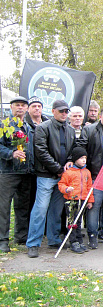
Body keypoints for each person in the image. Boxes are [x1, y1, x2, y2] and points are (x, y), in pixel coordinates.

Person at [26, 100, 75, 258]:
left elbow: (71, 150)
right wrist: (58, 169)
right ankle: (33, 243)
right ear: (53, 111)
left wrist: (70, 161)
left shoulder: (70, 130)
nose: (64, 114)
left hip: (62, 177)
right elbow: (41, 151)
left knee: (56, 210)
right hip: (46, 176)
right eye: (61, 111)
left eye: (66, 111)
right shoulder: (42, 128)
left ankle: (53, 239)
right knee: (40, 210)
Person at [77, 106, 103, 248]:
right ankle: (92, 234)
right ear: (101, 117)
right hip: (96, 174)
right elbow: (81, 148)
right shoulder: (90, 130)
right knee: (94, 206)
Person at [0, 97, 31, 253]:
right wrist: (11, 153)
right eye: (17, 105)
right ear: (11, 108)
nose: (20, 108)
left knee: (23, 206)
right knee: (4, 207)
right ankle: (3, 240)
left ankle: (21, 237)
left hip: (26, 172)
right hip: (8, 172)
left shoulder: (28, 126)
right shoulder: (4, 125)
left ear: (27, 109)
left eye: (23, 105)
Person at [57, 147, 94, 254]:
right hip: (72, 201)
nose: (84, 160)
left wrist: (90, 200)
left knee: (79, 221)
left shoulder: (87, 172)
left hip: (82, 201)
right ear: (75, 159)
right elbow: (61, 184)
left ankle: (79, 240)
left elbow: (89, 187)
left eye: (85, 158)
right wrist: (66, 189)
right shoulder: (69, 173)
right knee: (72, 222)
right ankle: (73, 241)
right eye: (81, 158)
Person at [24, 97, 48, 217]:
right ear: (28, 109)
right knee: (29, 200)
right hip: (29, 168)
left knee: (43, 202)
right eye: (34, 106)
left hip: (44, 168)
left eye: (39, 106)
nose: (37, 108)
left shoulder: (48, 123)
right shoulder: (23, 124)